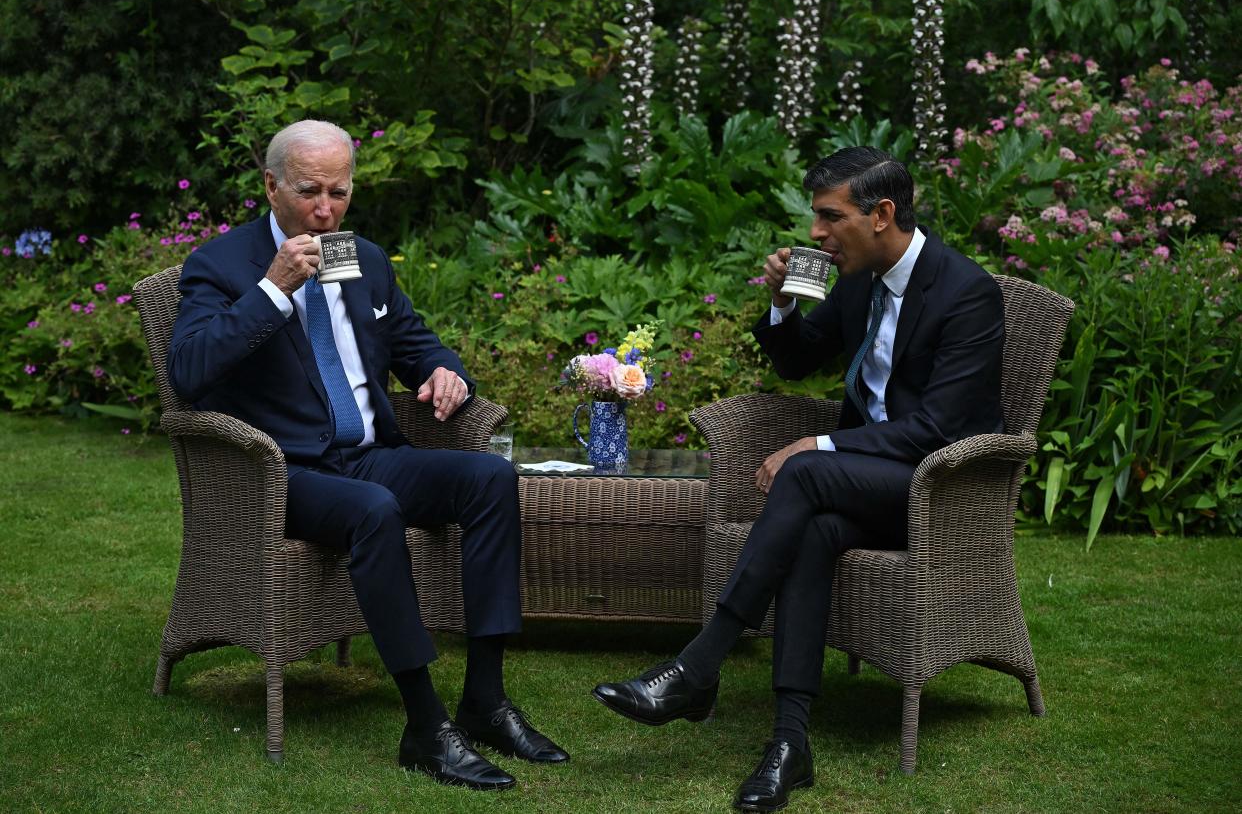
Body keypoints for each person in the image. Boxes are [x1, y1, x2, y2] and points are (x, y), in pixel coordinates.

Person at [592, 146, 1005, 812]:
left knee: (808, 472)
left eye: (829, 216)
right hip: (864, 484)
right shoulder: (861, 277)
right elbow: (797, 364)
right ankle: (790, 743)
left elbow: (937, 428)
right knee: (814, 528)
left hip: (940, 492)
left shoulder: (967, 293)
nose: (815, 234)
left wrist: (818, 443)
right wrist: (784, 305)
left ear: (883, 214)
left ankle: (699, 665)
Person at [168, 119, 568, 791]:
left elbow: (414, 342)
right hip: (283, 474)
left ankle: (486, 699)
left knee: (490, 479)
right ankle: (425, 724)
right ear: (270, 186)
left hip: (369, 453)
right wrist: (273, 290)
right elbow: (188, 371)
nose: (324, 210)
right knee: (374, 510)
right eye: (308, 193)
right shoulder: (222, 265)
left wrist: (446, 374)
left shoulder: (356, 257)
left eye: (339, 193)